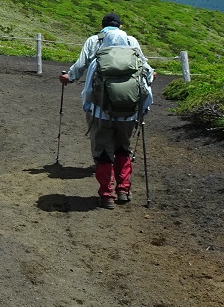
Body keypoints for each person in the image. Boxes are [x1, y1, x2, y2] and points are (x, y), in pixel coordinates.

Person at [60, 13, 155, 209]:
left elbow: (87, 90)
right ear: (121, 28)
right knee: (123, 149)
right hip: (129, 114)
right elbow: (147, 82)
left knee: (102, 153)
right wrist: (142, 110)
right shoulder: (133, 50)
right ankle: (123, 190)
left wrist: (88, 108)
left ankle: (106, 195)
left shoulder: (97, 56)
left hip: (100, 114)